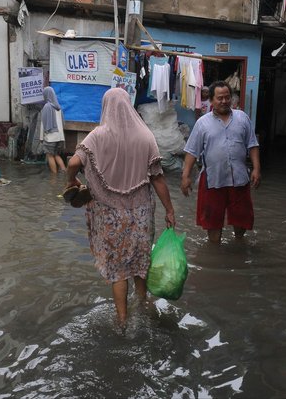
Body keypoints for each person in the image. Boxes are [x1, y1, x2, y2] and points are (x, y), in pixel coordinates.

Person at [65, 88, 176, 326]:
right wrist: (169, 209)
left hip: (110, 215)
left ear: (106, 107)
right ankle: (143, 307)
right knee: (139, 262)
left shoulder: (97, 136)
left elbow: (73, 162)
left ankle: (122, 320)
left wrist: (71, 181)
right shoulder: (146, 136)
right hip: (141, 214)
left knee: (118, 270)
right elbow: (157, 178)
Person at [181, 80, 260, 243]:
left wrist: (256, 169)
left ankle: (239, 246)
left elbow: (252, 145)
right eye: (220, 98)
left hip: (239, 179)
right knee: (212, 220)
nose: (224, 101)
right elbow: (192, 152)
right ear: (211, 100)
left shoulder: (242, 118)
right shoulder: (202, 123)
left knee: (242, 218)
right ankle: (214, 250)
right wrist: (185, 176)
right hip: (213, 179)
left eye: (227, 97)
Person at [40, 86, 66, 173]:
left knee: (50, 156)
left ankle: (54, 177)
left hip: (50, 137)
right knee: (56, 155)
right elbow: (62, 124)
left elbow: (44, 124)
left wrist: (41, 138)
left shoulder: (47, 107)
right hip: (60, 137)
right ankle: (64, 173)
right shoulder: (59, 108)